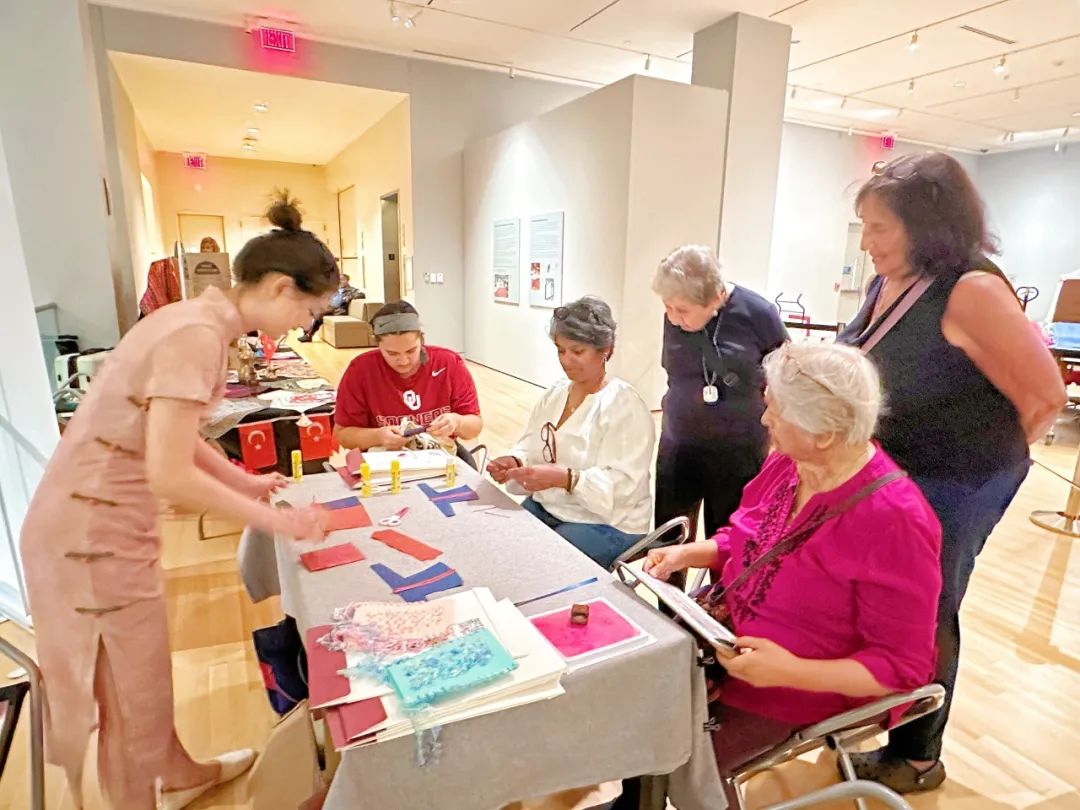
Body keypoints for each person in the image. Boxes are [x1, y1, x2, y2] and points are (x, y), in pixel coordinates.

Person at [19, 194, 334, 810]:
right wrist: (275, 519)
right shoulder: (196, 336)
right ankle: (144, 792)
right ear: (275, 289)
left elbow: (174, 437)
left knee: (141, 680)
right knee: (129, 691)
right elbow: (167, 473)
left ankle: (180, 771)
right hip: (88, 535)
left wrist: (246, 482)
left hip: (91, 526)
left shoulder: (193, 322)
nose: (303, 324)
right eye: (308, 309)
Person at [837, 151, 1066, 792]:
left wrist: (970, 468)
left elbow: (1045, 398)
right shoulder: (890, 281)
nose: (867, 242)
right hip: (899, 476)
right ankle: (886, 716)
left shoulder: (973, 290)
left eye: (880, 228)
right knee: (887, 604)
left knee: (931, 607)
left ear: (927, 226)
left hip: (958, 481)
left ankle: (918, 756)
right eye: (866, 226)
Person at [642, 343, 941, 783]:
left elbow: (903, 667)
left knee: (672, 762)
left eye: (776, 411)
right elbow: (748, 539)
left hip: (798, 686)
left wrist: (788, 671)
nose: (764, 420)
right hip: (722, 644)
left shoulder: (895, 520)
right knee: (629, 715)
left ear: (823, 433)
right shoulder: (789, 464)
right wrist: (692, 552)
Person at [486, 296, 655, 568]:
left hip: (610, 521)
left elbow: (624, 486)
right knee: (501, 546)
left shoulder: (623, 405)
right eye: (560, 350)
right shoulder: (555, 394)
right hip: (552, 507)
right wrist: (516, 462)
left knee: (542, 565)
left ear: (605, 351)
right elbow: (532, 444)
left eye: (577, 351)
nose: (566, 360)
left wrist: (567, 480)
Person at [652, 245, 788, 547]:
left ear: (715, 298)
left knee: (727, 544)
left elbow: (786, 374)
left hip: (737, 451)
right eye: (668, 307)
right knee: (668, 541)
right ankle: (668, 597)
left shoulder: (759, 314)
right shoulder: (674, 317)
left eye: (683, 310)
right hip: (678, 444)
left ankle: (718, 597)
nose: (673, 319)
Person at [333, 301, 483, 459]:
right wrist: (378, 436)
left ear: (422, 341)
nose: (404, 361)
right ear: (377, 345)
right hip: (384, 461)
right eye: (392, 353)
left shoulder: (448, 363)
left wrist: (456, 422)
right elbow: (342, 435)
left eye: (411, 351)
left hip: (440, 456)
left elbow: (475, 426)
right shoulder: (361, 370)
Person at [297, 272, 366, 342]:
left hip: (339, 310)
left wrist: (349, 297)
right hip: (329, 308)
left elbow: (361, 295)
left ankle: (309, 335)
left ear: (347, 280)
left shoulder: (352, 290)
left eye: (342, 280)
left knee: (320, 314)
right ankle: (306, 331)